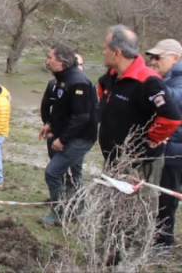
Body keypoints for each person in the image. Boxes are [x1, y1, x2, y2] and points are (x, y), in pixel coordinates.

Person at [97, 26, 181, 252]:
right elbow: (103, 105)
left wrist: (152, 138)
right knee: (111, 207)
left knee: (137, 209)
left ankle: (133, 254)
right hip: (114, 158)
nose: (101, 52)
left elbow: (171, 118)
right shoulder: (109, 79)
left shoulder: (148, 81)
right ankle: (110, 250)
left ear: (116, 52)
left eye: (104, 48)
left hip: (139, 162)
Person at [38, 45, 97, 226]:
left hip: (80, 138)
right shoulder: (61, 80)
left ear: (62, 63)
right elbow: (62, 110)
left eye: (50, 57)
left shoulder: (78, 82)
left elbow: (81, 117)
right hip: (66, 133)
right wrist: (50, 126)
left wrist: (62, 140)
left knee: (53, 172)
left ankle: (60, 213)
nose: (47, 61)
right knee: (71, 173)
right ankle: (76, 206)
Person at [145, 39, 182, 251]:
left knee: (168, 197)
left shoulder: (177, 80)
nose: (153, 61)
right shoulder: (167, 77)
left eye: (158, 57)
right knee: (159, 195)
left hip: (176, 150)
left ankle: (163, 244)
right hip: (167, 146)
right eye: (151, 57)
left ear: (175, 58)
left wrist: (150, 82)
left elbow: (173, 99)